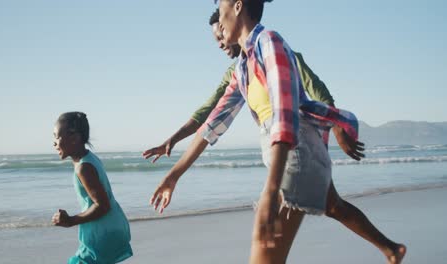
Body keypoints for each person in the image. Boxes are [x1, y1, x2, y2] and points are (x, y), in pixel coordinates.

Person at [144, 7, 405, 264]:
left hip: (295, 150)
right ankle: (391, 250)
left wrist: (271, 190)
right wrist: (173, 175)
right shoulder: (243, 67)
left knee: (265, 249)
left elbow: (284, 116)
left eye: (222, 7)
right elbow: (212, 123)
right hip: (292, 150)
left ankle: (391, 250)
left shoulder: (269, 42)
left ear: (238, 6)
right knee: (332, 205)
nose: (220, 23)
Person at [52, 112, 133, 264]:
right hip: (112, 225)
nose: (54, 143)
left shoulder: (84, 167)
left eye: (57, 137)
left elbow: (102, 206)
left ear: (75, 138)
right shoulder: (89, 158)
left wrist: (71, 220)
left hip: (102, 232)